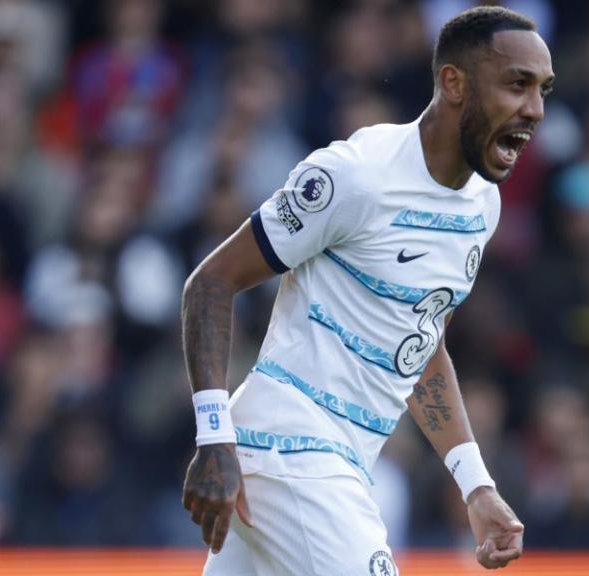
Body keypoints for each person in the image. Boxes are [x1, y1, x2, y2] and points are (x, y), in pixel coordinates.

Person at [180, 7, 554, 575]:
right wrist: (213, 438)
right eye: (516, 84)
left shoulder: (482, 205)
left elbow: (420, 342)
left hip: (337, 461)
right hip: (291, 449)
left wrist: (475, 485)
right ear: (453, 83)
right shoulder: (356, 176)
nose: (535, 110)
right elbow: (209, 284)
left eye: (543, 90)